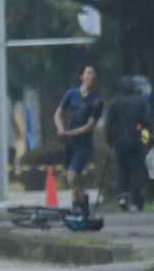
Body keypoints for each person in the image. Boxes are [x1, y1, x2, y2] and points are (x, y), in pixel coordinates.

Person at [54, 64, 104, 215]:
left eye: (94, 73)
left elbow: (90, 125)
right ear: (82, 76)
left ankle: (79, 200)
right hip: (69, 143)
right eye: (88, 73)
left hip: (83, 143)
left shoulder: (97, 100)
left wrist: (69, 133)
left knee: (72, 176)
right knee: (74, 176)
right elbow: (58, 113)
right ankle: (80, 203)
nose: (91, 76)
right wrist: (61, 129)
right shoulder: (71, 94)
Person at [105, 76, 152, 212]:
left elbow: (109, 124)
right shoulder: (140, 102)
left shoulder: (114, 102)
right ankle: (136, 201)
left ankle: (122, 194)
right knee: (136, 171)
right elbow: (147, 121)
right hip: (136, 140)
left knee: (123, 169)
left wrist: (109, 140)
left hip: (119, 141)